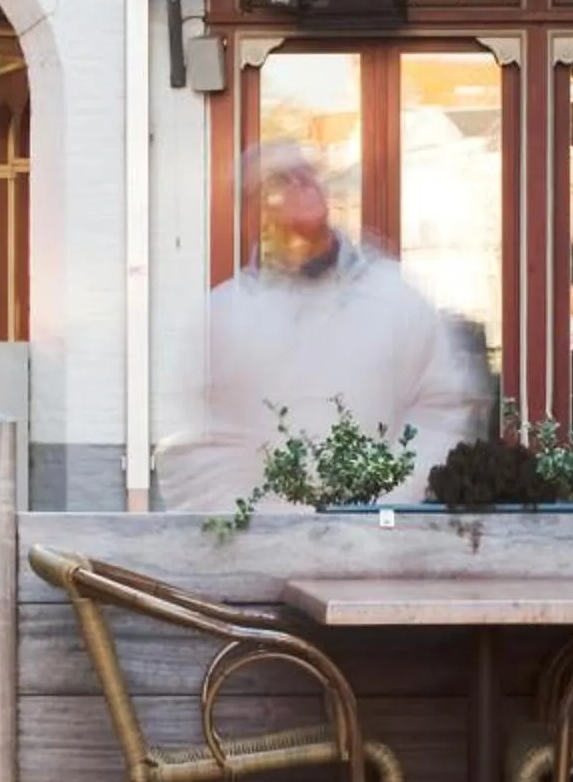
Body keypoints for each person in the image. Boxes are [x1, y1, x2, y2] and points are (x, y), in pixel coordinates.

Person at [156, 142, 487, 513]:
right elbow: (194, 442)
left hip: (376, 549)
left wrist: (385, 510)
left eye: (308, 173)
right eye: (279, 180)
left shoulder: (397, 300)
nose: (301, 184)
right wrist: (246, 526)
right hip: (263, 552)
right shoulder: (222, 318)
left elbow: (441, 412)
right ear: (252, 211)